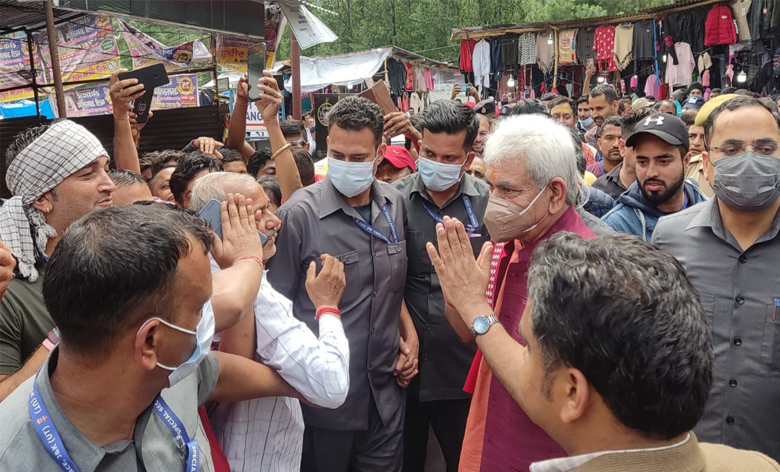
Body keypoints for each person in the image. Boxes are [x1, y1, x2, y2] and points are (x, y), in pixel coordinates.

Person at [0, 203, 320, 471]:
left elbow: (224, 373)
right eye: (200, 310)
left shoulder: (170, 371)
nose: (208, 320)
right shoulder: (14, 458)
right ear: (151, 341)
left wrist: (310, 384)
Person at [429, 227, 780, 471]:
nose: (519, 357)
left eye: (529, 349)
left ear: (572, 392)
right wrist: (476, 307)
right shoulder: (753, 464)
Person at [267, 96, 415, 471]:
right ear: (326, 147)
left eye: (358, 158)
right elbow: (275, 313)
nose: (346, 166)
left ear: (380, 152)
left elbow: (390, 283)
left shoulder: (394, 205)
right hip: (323, 406)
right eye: (338, 155)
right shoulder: (299, 215)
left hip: (385, 397)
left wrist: (407, 332)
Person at [448, 114, 595, 472]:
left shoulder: (582, 266)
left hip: (537, 444)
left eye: (509, 190)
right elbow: (469, 332)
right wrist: (458, 293)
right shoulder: (508, 242)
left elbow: (543, 388)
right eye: (491, 187)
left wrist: (471, 303)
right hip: (489, 422)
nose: (493, 201)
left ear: (556, 194)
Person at [190, 172, 351, 471]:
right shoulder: (251, 288)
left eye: (270, 208)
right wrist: (328, 308)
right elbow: (330, 384)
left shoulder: (218, 276)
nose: (275, 221)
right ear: (216, 222)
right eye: (258, 214)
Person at [653, 96, 780, 462]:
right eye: (732, 148)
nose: (750, 158)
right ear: (706, 164)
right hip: (690, 457)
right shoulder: (669, 237)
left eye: (765, 147)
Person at [391, 100, 490, 472]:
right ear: (418, 148)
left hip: (464, 371)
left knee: (465, 462)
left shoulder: (488, 204)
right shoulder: (392, 201)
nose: (437, 163)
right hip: (403, 369)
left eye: (450, 158)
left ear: (467, 158)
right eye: (429, 153)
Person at [0, 120, 116, 401]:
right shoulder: (8, 286)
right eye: (88, 174)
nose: (109, 185)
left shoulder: (117, 256)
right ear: (43, 199)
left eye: (106, 169)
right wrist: (67, 335)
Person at [602, 113, 707, 242]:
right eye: (642, 162)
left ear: (686, 162)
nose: (651, 173)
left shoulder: (712, 216)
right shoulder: (615, 230)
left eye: (663, 162)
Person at [592, 107, 655, 200]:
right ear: (622, 147)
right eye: (642, 147)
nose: (652, 153)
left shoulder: (670, 189)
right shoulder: (599, 191)